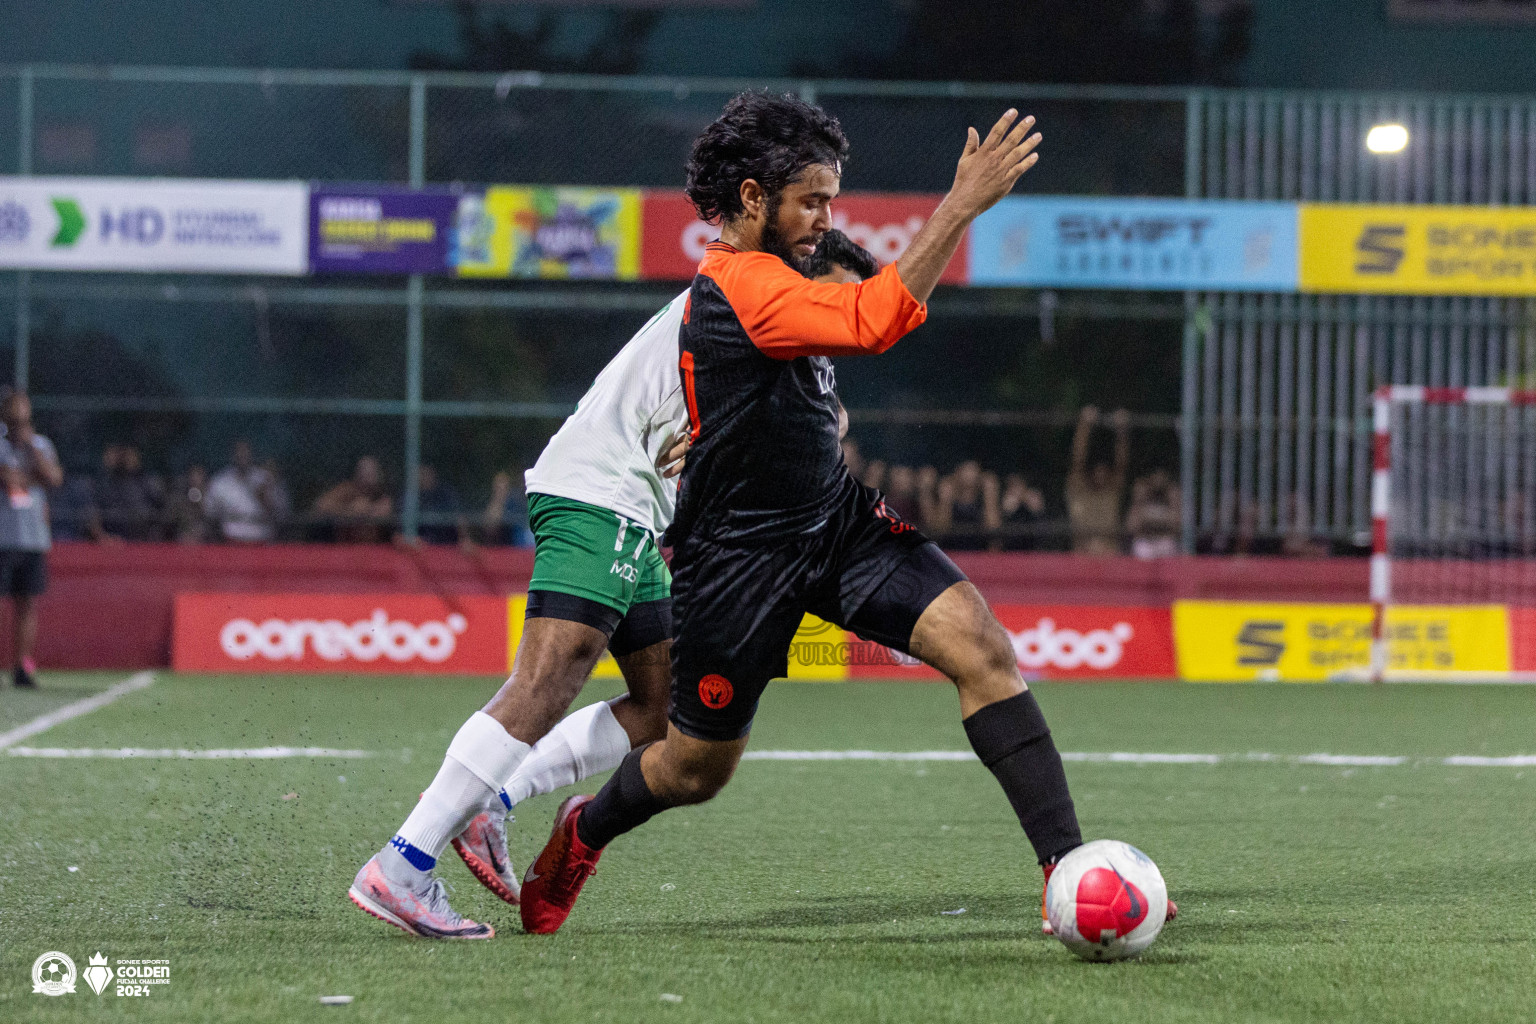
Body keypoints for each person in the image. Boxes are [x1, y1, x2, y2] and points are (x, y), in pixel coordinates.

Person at [516, 92, 1160, 940]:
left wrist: (816, 421)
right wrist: (959, 205)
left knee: (983, 649)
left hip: (836, 521)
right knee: (695, 768)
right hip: (737, 561)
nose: (827, 215)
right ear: (752, 199)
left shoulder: (805, 261)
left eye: (830, 197)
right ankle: (583, 829)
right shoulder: (739, 280)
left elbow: (826, 357)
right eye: (812, 199)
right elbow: (875, 318)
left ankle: (1066, 871)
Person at [348, 227, 889, 940]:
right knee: (547, 679)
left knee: (663, 706)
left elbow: (815, 422)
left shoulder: (781, 350)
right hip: (600, 494)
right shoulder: (753, 307)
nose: (841, 319)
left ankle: (494, 801)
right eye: (835, 298)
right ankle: (402, 864)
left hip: (631, 511)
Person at [0, 391, 63, 688]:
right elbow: (7, 478)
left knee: (27, 604)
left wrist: (31, 452)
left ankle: (22, 666)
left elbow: (53, 479)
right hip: (3, 536)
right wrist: (29, 477)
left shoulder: (41, 445)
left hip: (32, 538)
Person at [1066, 406, 1129, 555]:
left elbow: (1121, 464)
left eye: (1105, 472)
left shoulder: (1111, 493)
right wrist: (1084, 426)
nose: (1100, 475)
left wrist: (1122, 431)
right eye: (1097, 471)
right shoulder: (1079, 491)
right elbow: (1077, 460)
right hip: (1082, 554)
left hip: (1109, 555)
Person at [205, 441, 284, 543]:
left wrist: (264, 498)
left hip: (261, 537)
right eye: (239, 451)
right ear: (233, 455)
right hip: (230, 538)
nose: (242, 455)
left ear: (251, 454)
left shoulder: (265, 478)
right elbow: (210, 513)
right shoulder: (220, 482)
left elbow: (282, 513)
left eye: (245, 451)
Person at [313, 456, 393, 543]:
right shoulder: (347, 489)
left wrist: (368, 510)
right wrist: (350, 510)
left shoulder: (381, 496)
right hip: (344, 547)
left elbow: (384, 514)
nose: (368, 477)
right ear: (357, 474)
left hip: (373, 547)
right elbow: (321, 506)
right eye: (364, 472)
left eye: (372, 473)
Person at [932, 459, 1001, 550]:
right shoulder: (949, 500)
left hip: (980, 555)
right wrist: (945, 501)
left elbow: (994, 531)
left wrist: (990, 496)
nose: (969, 475)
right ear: (956, 473)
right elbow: (939, 532)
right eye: (966, 470)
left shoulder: (983, 501)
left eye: (973, 470)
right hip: (951, 554)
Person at [1126, 469, 1181, 559]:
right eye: (1155, 476)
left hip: (1164, 540)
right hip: (1146, 541)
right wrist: (1138, 501)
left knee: (1169, 545)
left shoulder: (1170, 499)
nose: (1158, 480)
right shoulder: (1142, 500)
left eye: (1161, 477)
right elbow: (1131, 527)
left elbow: (1176, 526)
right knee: (1141, 547)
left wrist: (1174, 503)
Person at [412, 464, 466, 546]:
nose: (424, 478)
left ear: (433, 475)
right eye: (421, 474)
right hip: (420, 546)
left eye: (427, 474)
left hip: (446, 545)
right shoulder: (410, 497)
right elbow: (399, 525)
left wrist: (464, 539)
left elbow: (459, 518)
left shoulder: (446, 494)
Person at [998, 472, 1047, 551]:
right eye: (1012, 486)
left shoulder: (1032, 499)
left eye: (1018, 485)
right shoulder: (1005, 502)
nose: (1016, 490)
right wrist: (1006, 513)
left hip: (1033, 549)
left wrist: (1037, 511)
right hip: (1009, 550)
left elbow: (1043, 530)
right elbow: (998, 533)